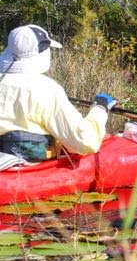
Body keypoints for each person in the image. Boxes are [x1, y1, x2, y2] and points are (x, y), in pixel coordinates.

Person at [0, 24, 117, 162]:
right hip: (25, 168)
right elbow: (84, 141)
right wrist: (100, 108)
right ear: (42, 55)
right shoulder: (47, 89)